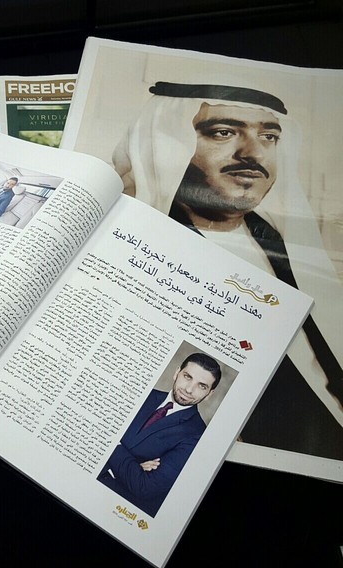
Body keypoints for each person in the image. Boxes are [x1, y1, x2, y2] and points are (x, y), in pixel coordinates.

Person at [112, 81, 343, 459]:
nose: (253, 154)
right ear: (168, 145)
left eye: (269, 137)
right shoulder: (141, 244)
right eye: (223, 132)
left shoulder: (278, 238)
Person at [97, 353, 221, 517]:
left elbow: (144, 487)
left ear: (209, 394)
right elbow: (92, 427)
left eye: (202, 386)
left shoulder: (197, 436)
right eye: (187, 377)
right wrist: (134, 466)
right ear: (177, 373)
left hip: (116, 506)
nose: (189, 389)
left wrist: (113, 442)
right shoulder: (142, 392)